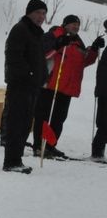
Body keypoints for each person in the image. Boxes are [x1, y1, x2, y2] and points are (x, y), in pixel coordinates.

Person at [32, 14, 102, 159]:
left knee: (58, 119)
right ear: (65, 24)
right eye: (73, 24)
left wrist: (94, 49)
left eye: (78, 25)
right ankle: (39, 146)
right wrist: (58, 44)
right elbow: (42, 53)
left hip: (67, 88)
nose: (76, 27)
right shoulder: (53, 35)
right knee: (44, 116)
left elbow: (85, 61)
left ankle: (50, 146)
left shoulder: (78, 42)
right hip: (50, 84)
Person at [1, 0, 47, 173]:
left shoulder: (37, 33)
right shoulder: (20, 29)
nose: (41, 17)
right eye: (37, 13)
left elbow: (40, 59)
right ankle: (11, 161)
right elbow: (13, 57)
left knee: (26, 123)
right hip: (20, 85)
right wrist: (28, 74)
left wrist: (43, 76)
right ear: (29, 13)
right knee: (16, 122)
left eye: (43, 13)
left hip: (33, 86)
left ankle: (17, 159)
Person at [92, 21, 107, 162]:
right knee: (103, 122)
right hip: (104, 91)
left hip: (103, 90)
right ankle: (97, 151)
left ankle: (98, 150)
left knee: (103, 122)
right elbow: (102, 72)